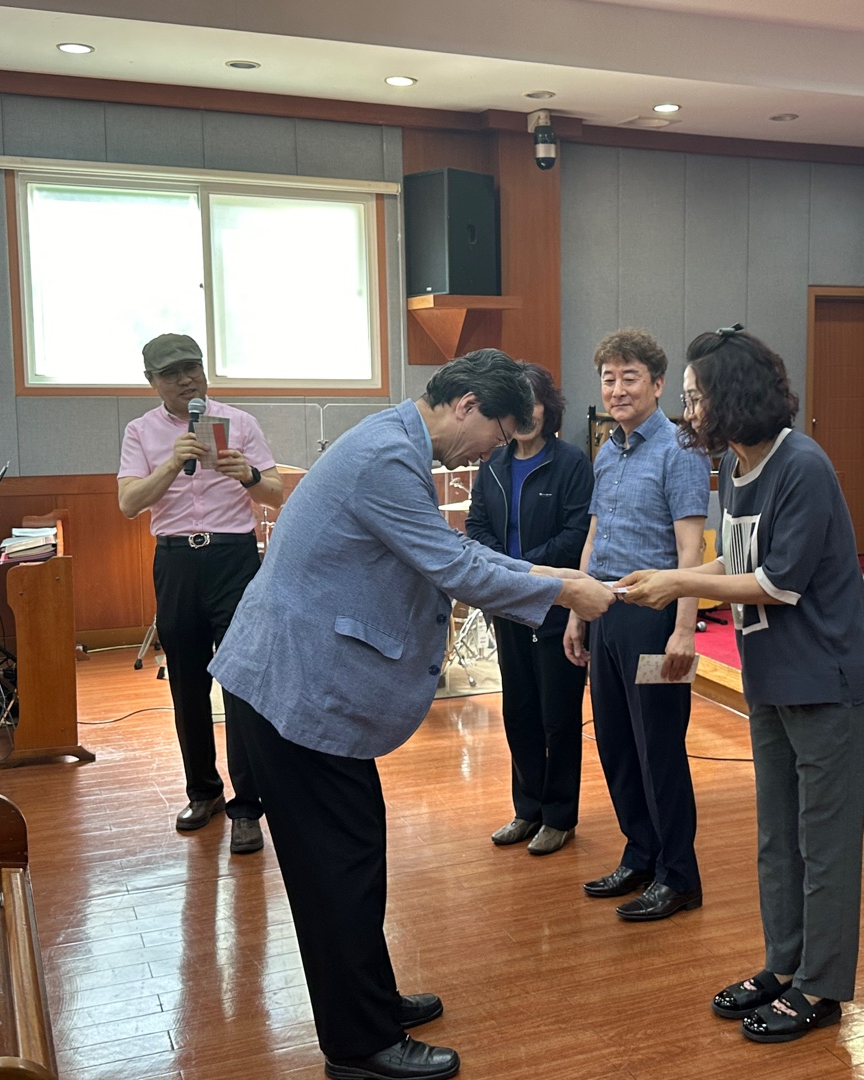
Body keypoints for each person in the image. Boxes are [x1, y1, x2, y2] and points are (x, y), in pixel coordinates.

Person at [209, 350, 615, 1080]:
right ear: (466, 405)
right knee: (336, 869)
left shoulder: (394, 443)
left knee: (355, 853)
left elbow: (448, 550)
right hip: (295, 690)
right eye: (495, 433)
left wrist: (551, 573)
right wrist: (564, 590)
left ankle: (372, 1001)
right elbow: (454, 567)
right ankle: (360, 1045)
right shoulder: (387, 458)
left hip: (302, 687)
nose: (491, 451)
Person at [618, 326, 864, 1043]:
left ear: (732, 397)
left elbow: (777, 582)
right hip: (772, 673)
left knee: (824, 842)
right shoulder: (735, 465)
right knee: (776, 835)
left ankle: (820, 987)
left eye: (695, 398)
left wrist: (679, 583)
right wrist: (674, 579)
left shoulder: (803, 465)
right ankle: (783, 965)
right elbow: (737, 564)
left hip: (826, 677)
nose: (687, 412)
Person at [564, 328, 711, 922]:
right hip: (607, 612)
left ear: (657, 384)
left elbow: (691, 549)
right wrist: (577, 609)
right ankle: (641, 854)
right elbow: (595, 536)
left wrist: (684, 629)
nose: (617, 389)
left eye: (630, 378)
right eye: (609, 378)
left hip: (656, 620)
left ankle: (679, 876)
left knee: (660, 748)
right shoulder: (607, 451)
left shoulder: (680, 449)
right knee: (617, 743)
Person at [117, 332, 284, 855]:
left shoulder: (240, 422)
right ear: (152, 382)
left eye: (192, 368)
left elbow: (276, 493)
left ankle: (247, 807)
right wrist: (171, 463)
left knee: (241, 684)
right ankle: (203, 792)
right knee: (187, 683)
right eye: (172, 373)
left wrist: (247, 474)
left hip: (234, 559)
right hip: (177, 563)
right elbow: (128, 503)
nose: (186, 379)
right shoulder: (140, 431)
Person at [466, 363, 594, 856]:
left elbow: (576, 534)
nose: (527, 413)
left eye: (535, 402)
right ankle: (528, 809)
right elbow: (477, 526)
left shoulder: (571, 463)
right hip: (508, 606)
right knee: (518, 710)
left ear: (548, 407)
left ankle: (559, 816)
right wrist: (506, 576)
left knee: (557, 715)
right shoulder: (492, 464)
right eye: (518, 404)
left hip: (556, 603)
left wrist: (521, 572)